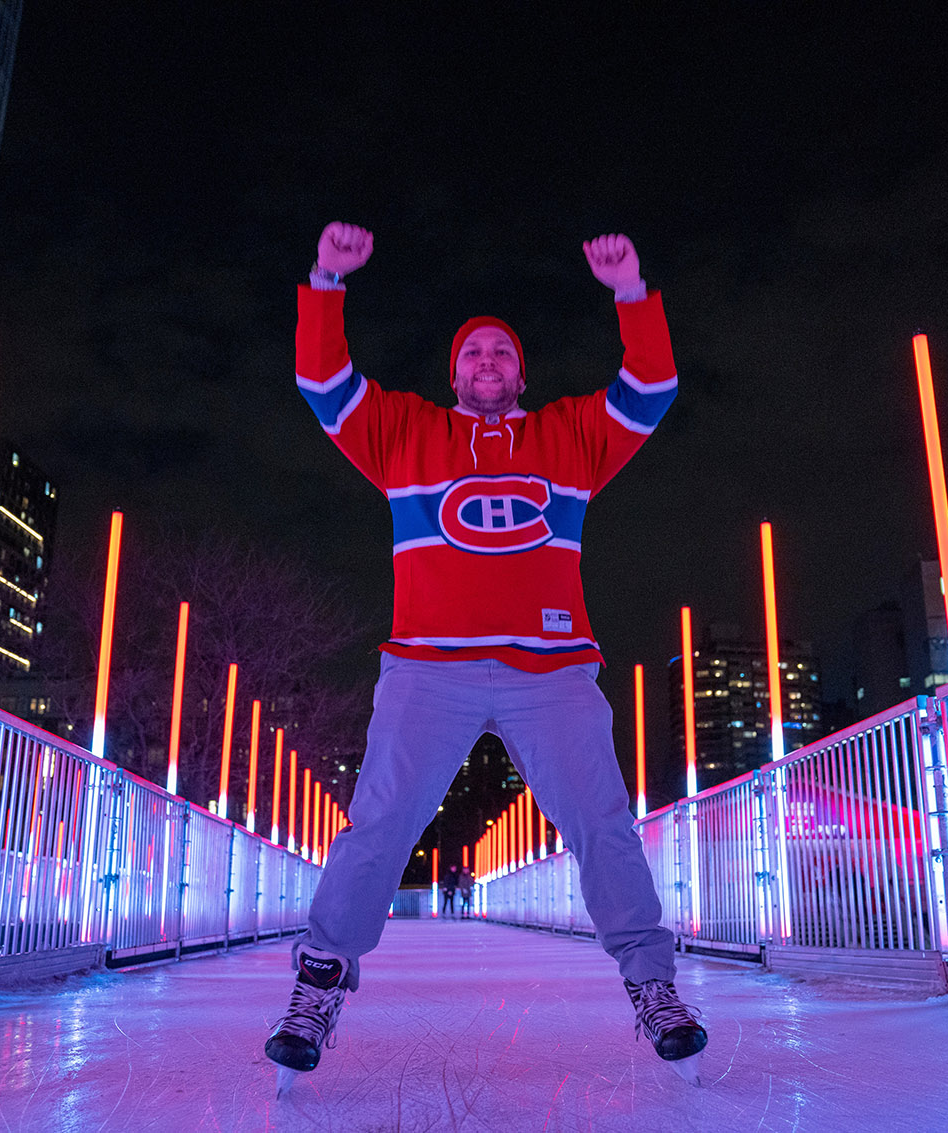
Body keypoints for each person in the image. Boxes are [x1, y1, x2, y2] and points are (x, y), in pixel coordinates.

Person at [265, 222, 707, 1091]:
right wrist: (325, 278)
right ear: (456, 374)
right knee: (382, 823)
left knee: (602, 825)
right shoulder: (403, 432)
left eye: (503, 351)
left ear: (523, 373)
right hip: (429, 667)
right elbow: (320, 379)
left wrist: (630, 290)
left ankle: (655, 986)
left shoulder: (572, 435)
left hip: (554, 669)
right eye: (475, 354)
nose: (489, 361)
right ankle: (316, 988)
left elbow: (652, 386)